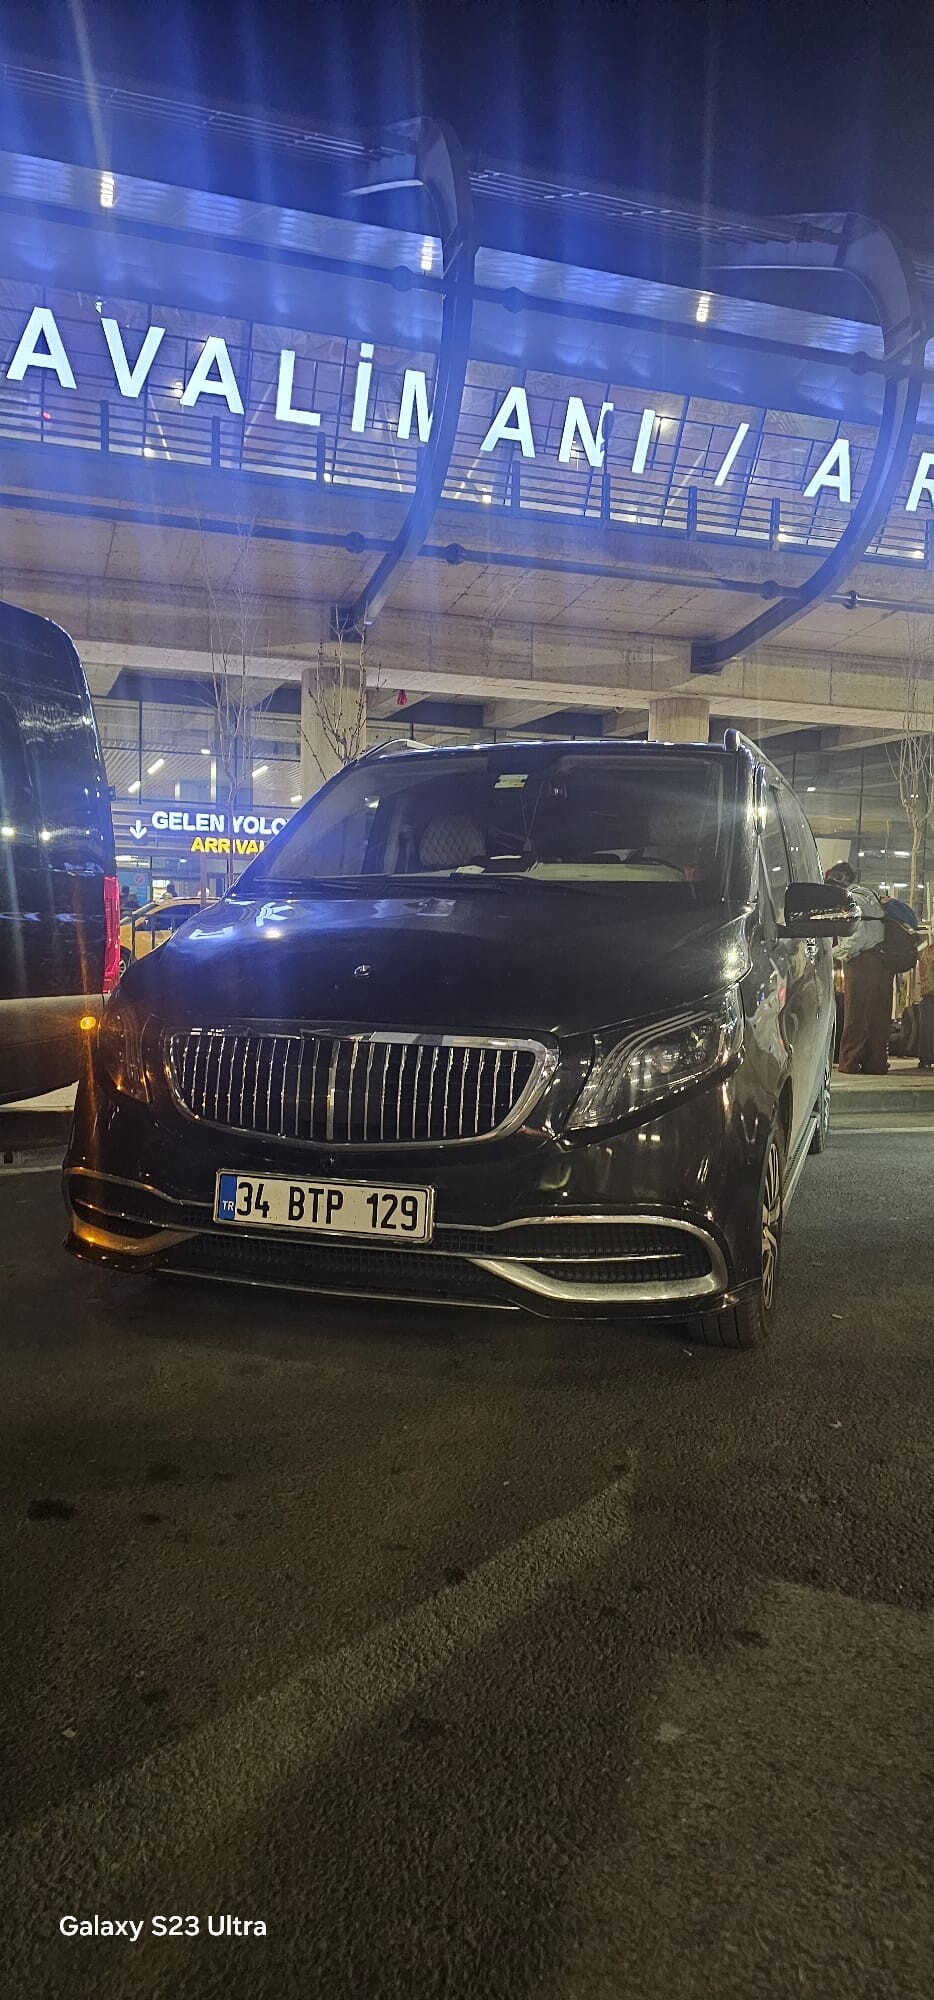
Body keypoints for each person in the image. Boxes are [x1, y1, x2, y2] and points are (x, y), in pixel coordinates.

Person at [826, 861, 892, 1075]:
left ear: (840, 880)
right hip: (881, 961)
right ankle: (876, 1063)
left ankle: (850, 1063)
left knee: (855, 1014)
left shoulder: (851, 899)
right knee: (877, 1016)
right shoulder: (869, 895)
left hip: (861, 961)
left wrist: (832, 954)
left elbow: (857, 936)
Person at [918, 936, 934, 1070]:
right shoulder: (929, 952)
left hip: (927, 995)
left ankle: (926, 1059)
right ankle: (926, 1058)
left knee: (927, 1030)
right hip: (930, 994)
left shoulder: (925, 952)